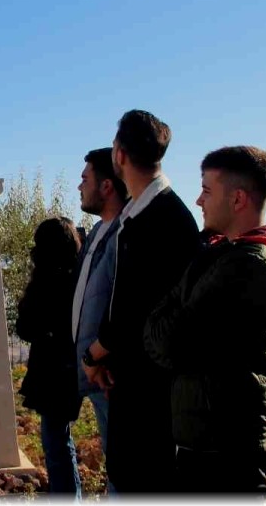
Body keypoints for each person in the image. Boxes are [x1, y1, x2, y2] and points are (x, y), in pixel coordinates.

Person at [144, 146, 266, 496]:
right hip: (213, 435)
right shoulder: (224, 256)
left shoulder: (249, 266)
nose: (199, 200)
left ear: (238, 198)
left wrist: (179, 295)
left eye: (207, 190)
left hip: (228, 442)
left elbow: (167, 341)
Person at [81, 110, 200, 493]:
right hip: (130, 380)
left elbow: (140, 307)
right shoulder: (139, 214)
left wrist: (95, 353)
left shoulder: (167, 218)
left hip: (154, 390)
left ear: (119, 155)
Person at [70, 147, 128, 488]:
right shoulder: (96, 233)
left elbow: (122, 305)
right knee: (114, 459)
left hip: (108, 371)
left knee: (124, 463)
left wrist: (102, 354)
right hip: (92, 369)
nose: (80, 187)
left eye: (85, 179)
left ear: (106, 186)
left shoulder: (124, 234)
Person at [15, 217, 83, 496]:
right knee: (59, 441)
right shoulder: (79, 276)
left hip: (54, 371)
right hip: (75, 366)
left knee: (55, 443)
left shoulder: (46, 279)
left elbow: (26, 326)